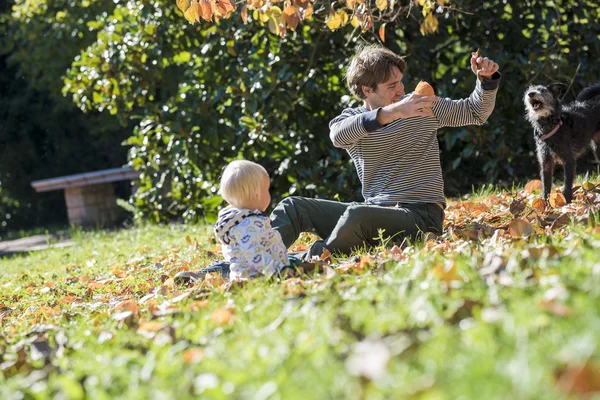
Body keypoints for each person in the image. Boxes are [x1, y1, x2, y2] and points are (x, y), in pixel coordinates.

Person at [269, 44, 501, 259]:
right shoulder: (354, 120)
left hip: (420, 216)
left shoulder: (420, 104)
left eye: (400, 81)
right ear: (367, 90)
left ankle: (304, 261)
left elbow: (474, 112)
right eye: (392, 85)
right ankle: (259, 259)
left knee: (357, 215)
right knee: (293, 207)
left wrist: (486, 81)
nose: (401, 90)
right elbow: (338, 136)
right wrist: (392, 113)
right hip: (374, 213)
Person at [212, 160, 289, 280]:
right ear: (256, 194)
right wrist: (277, 271)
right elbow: (254, 253)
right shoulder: (247, 224)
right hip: (257, 276)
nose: (269, 194)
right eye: (266, 190)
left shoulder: (237, 220)